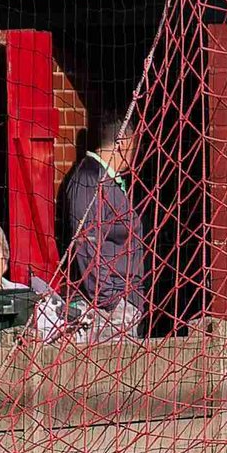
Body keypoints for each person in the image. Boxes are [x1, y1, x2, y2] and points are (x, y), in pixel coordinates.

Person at [57, 110, 146, 342]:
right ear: (124, 143)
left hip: (123, 305)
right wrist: (111, 300)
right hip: (106, 312)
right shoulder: (89, 179)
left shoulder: (108, 180)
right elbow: (86, 242)